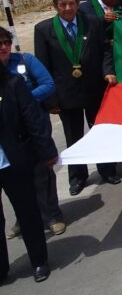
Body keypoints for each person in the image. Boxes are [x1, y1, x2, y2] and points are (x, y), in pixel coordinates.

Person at [33, 0, 119, 196]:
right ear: (55, 6)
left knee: (100, 131)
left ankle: (107, 170)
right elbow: (43, 66)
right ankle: (78, 177)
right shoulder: (43, 29)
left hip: (94, 89)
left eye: (71, 3)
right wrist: (50, 100)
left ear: (78, 3)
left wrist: (108, 72)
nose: (68, 8)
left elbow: (106, 50)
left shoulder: (93, 23)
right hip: (65, 94)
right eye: (62, 5)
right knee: (74, 136)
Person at [0, 28, 65, 238]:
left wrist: (23, 99)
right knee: (17, 182)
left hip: (33, 127)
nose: (3, 47)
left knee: (41, 175)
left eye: (6, 43)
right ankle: (23, 219)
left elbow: (48, 84)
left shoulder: (25, 61)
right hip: (7, 137)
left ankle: (53, 216)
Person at [0, 65, 58, 284]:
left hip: (13, 160)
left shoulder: (13, 84)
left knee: (27, 212)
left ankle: (39, 261)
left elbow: (32, 119)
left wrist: (47, 151)